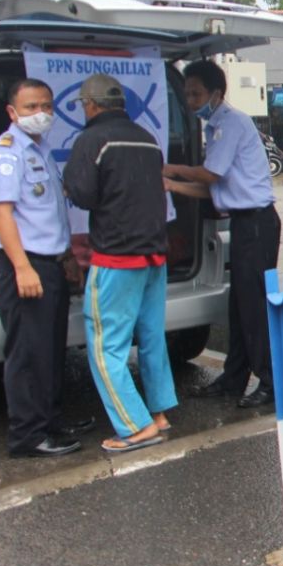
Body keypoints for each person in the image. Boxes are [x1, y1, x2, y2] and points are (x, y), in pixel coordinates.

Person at [63, 73, 175, 453]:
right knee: (151, 337)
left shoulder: (92, 139)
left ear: (89, 105)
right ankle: (158, 412)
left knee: (105, 347)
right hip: (154, 255)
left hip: (116, 257)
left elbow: (82, 193)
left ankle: (135, 426)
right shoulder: (146, 138)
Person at [0, 78, 91, 457]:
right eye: (30, 107)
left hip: (49, 264)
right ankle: (28, 435)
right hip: (23, 267)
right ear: (12, 112)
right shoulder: (5, 154)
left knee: (49, 350)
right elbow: (2, 213)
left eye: (46, 106)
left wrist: (67, 259)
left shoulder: (39, 151)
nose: (40, 113)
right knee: (28, 355)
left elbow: (49, 215)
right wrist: (23, 268)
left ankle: (50, 420)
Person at [163, 60, 280, 408]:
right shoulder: (214, 127)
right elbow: (214, 190)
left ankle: (270, 382)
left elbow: (211, 175)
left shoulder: (229, 123)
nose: (190, 100)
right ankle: (233, 379)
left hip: (257, 224)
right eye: (186, 93)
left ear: (216, 93)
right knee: (239, 307)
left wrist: (171, 169)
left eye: (195, 93)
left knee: (255, 307)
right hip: (245, 222)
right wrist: (171, 185)